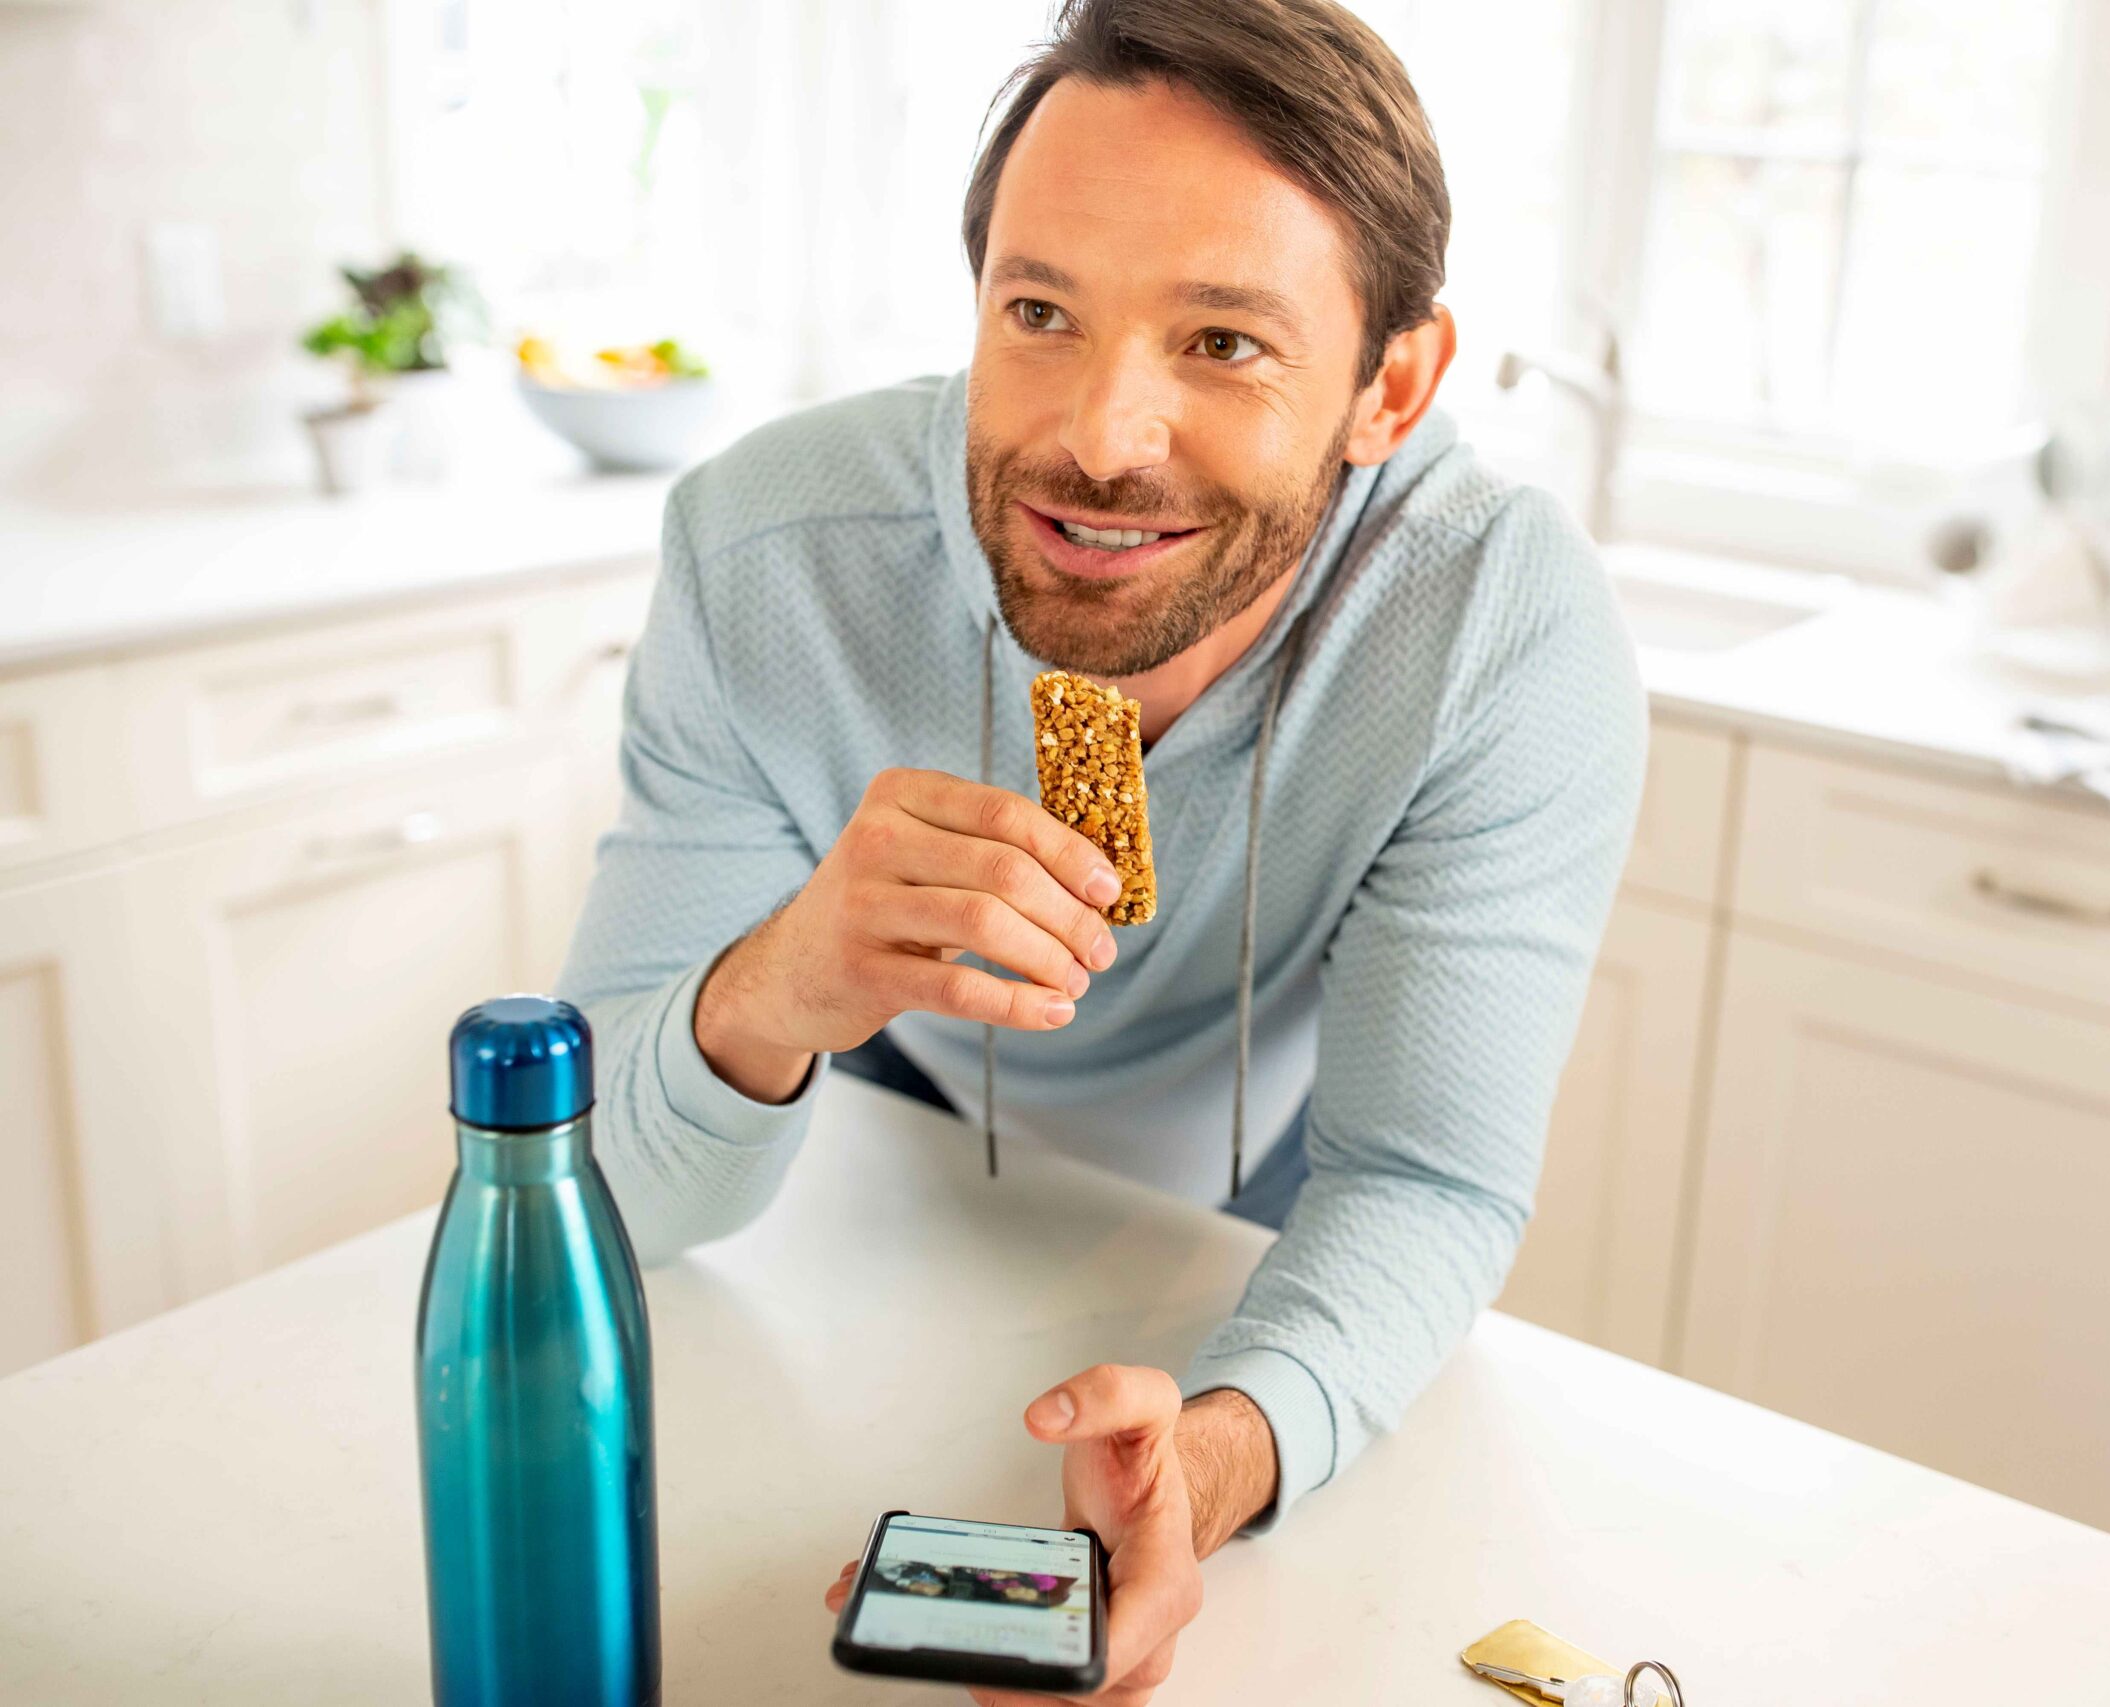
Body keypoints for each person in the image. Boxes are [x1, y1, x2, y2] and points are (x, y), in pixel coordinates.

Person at [555, 0, 1645, 1700]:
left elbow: (1422, 1178)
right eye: (1042, 311)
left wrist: (1208, 1466)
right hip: (884, 1148)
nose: (1100, 439)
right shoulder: (760, 554)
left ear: (1394, 383)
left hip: (1271, 1182)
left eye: (1223, 342)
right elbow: (609, 1197)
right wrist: (773, 986)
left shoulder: (1498, 623)